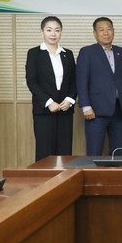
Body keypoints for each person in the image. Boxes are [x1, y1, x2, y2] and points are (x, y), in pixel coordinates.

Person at [76, 17, 122, 156]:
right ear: (95, 33)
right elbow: (81, 81)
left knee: (119, 152)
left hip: (119, 110)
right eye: (101, 30)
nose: (106, 33)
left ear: (113, 31)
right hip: (95, 111)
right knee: (94, 152)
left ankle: (118, 171)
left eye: (109, 29)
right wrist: (85, 106)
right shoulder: (87, 52)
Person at [25, 16, 77, 161]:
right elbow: (32, 82)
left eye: (57, 30)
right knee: (45, 153)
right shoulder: (34, 53)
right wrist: (49, 102)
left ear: (61, 32)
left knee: (64, 153)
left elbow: (74, 81)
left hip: (65, 110)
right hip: (44, 111)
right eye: (49, 30)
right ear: (42, 32)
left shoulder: (68, 54)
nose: (53, 34)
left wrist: (69, 100)